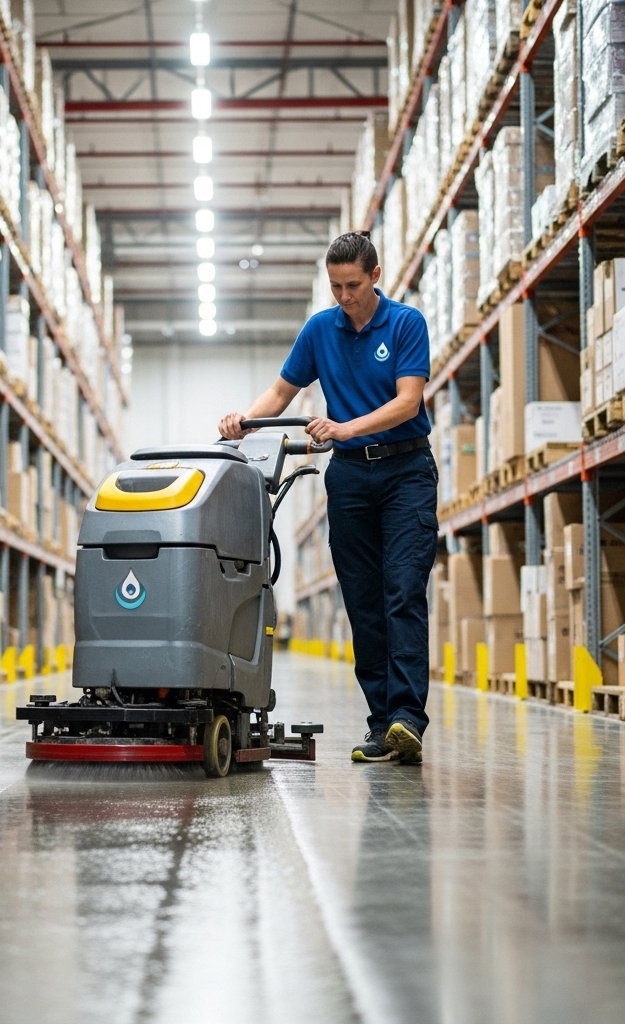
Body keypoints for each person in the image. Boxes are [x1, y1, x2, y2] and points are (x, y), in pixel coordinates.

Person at [218, 231, 437, 765]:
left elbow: (408, 403)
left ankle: (409, 717)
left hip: (407, 470)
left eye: (354, 285)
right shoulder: (320, 330)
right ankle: (382, 722)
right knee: (362, 601)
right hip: (349, 480)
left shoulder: (406, 324)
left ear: (376, 276)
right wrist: (243, 421)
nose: (344, 296)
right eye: (336, 286)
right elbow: (280, 392)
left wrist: (344, 427)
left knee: (402, 590)